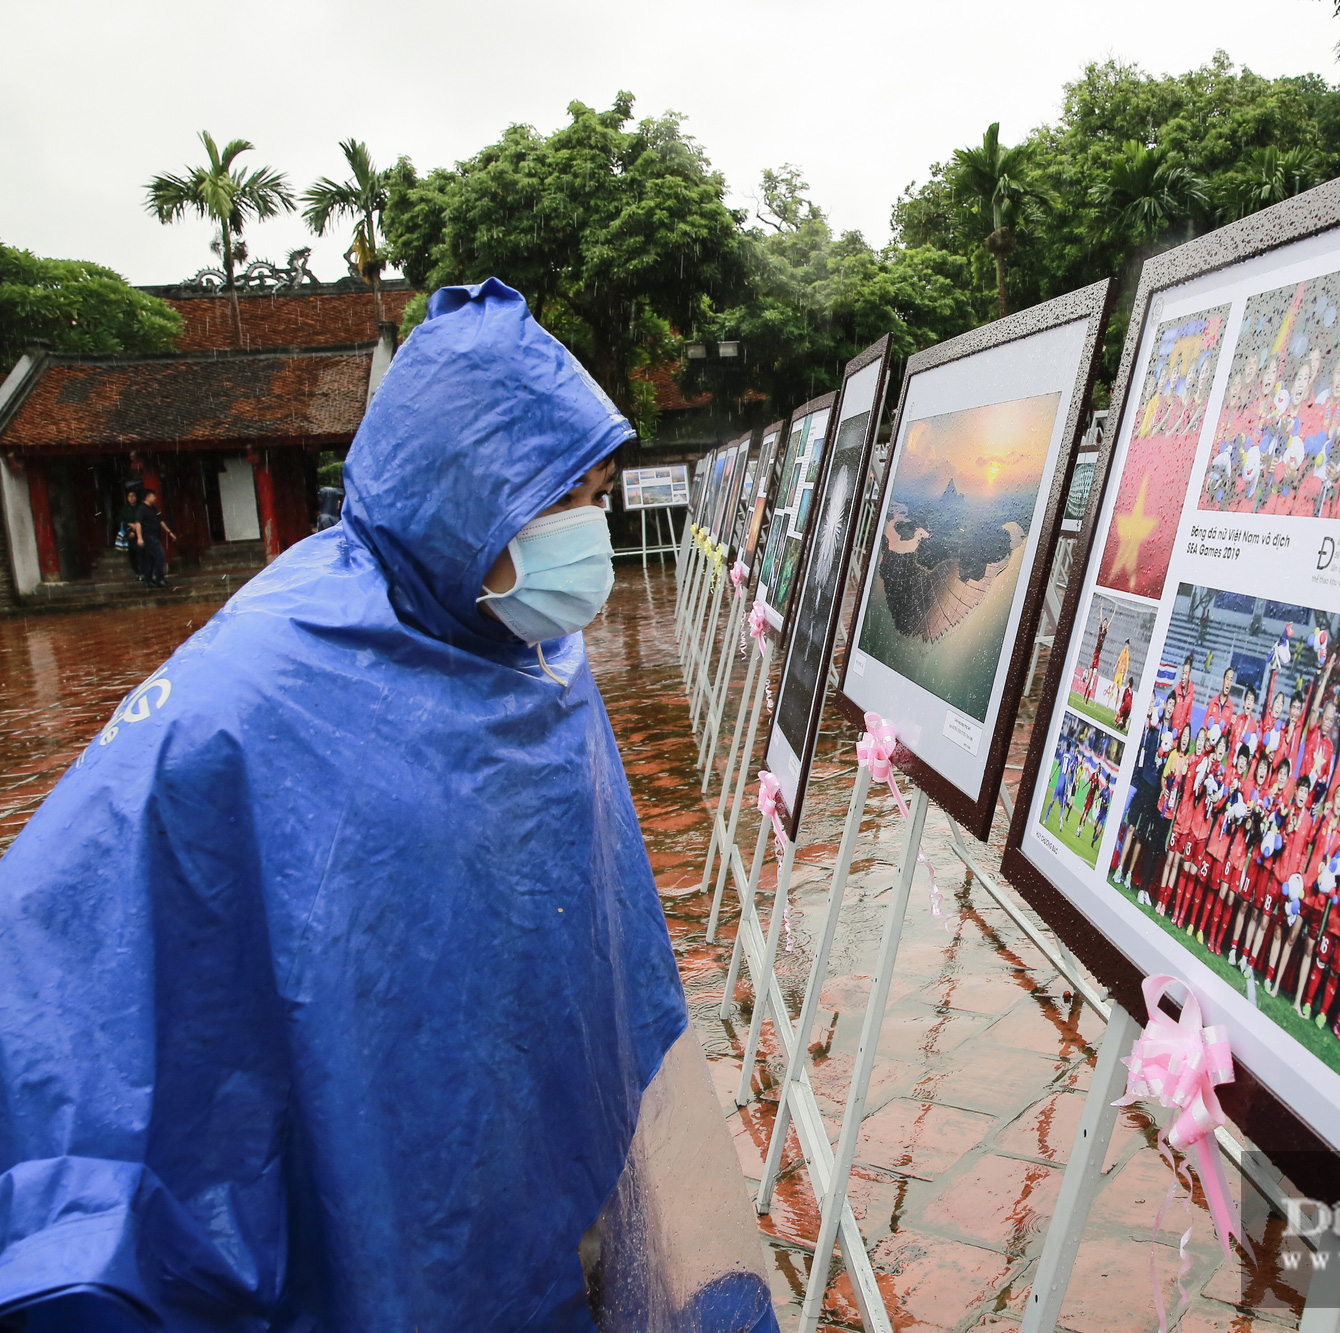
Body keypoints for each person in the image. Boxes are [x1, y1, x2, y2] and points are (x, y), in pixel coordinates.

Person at [0, 281, 778, 1332]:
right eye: (560, 500)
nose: (586, 529)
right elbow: (97, 919)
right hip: (334, 1142)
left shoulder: (521, 642)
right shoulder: (269, 682)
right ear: (462, 493)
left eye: (592, 491)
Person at [133, 487, 175, 588]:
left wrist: (169, 532)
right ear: (147, 497)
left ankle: (148, 579)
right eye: (153, 496)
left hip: (155, 535)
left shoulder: (153, 509)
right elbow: (138, 523)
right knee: (160, 555)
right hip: (148, 536)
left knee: (151, 559)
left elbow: (161, 521)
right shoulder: (141, 509)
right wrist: (139, 537)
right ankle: (159, 577)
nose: (155, 498)